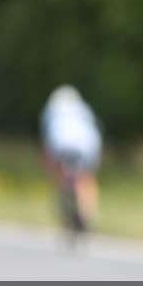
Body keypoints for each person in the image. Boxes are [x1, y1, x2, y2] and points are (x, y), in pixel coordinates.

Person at [39, 85, 102, 238]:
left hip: (61, 144)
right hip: (87, 144)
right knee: (86, 178)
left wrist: (50, 163)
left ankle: (63, 202)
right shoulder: (84, 109)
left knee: (60, 174)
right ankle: (86, 213)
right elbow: (94, 130)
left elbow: (48, 139)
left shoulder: (51, 110)